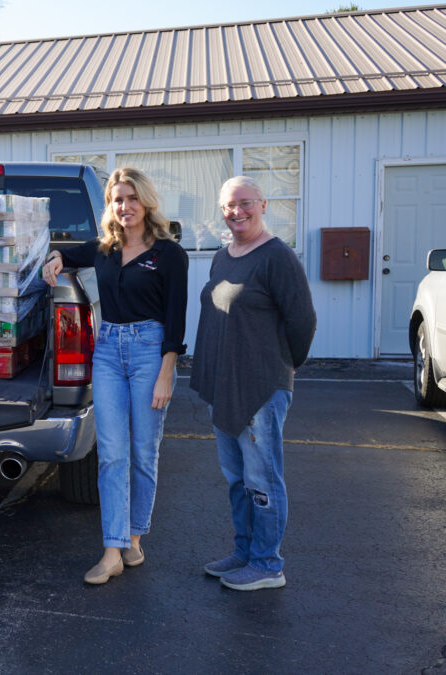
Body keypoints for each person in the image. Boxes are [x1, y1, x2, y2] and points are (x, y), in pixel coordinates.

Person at [42, 167, 188, 585]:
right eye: (117, 199)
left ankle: (134, 539)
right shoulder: (104, 248)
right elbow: (69, 252)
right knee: (110, 454)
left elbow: (176, 320)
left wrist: (166, 374)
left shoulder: (169, 254)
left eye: (132, 198)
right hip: (107, 352)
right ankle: (111, 551)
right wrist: (56, 258)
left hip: (149, 353)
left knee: (143, 452)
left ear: (146, 201)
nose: (125, 206)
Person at [191, 176, 316, 591]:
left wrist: (280, 367)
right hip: (224, 385)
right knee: (237, 479)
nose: (237, 211)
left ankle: (267, 564)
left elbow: (302, 320)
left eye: (246, 203)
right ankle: (245, 552)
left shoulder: (277, 256)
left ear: (263, 205)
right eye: (229, 205)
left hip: (260, 388)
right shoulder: (222, 256)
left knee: (262, 481)